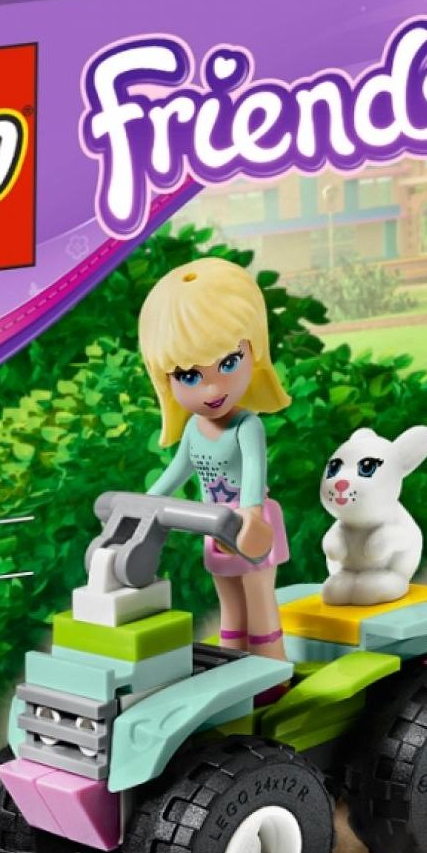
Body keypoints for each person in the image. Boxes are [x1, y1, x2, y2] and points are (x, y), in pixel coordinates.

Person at [138, 257, 292, 658]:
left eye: (228, 364)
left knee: (259, 602)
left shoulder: (246, 426)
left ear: (254, 354)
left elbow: (254, 472)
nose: (211, 390)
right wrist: (145, 504)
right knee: (230, 607)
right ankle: (232, 666)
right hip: (215, 529)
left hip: (251, 527)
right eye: (189, 376)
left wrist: (252, 513)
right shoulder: (194, 429)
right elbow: (177, 470)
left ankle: (272, 673)